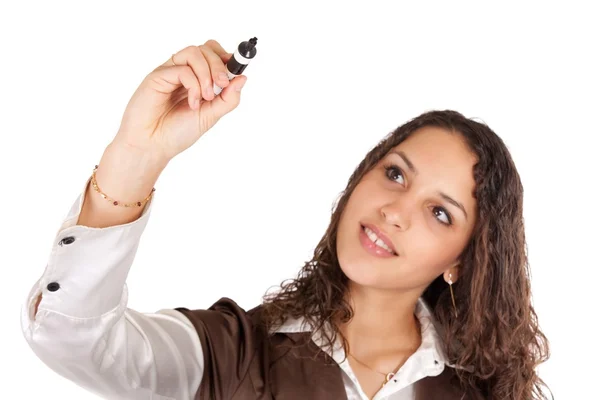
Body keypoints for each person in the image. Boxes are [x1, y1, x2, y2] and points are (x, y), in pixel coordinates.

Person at [21, 39, 552, 400]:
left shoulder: (477, 392)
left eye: (440, 212)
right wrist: (137, 154)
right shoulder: (233, 354)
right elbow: (74, 337)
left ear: (462, 258)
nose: (395, 210)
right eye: (394, 175)